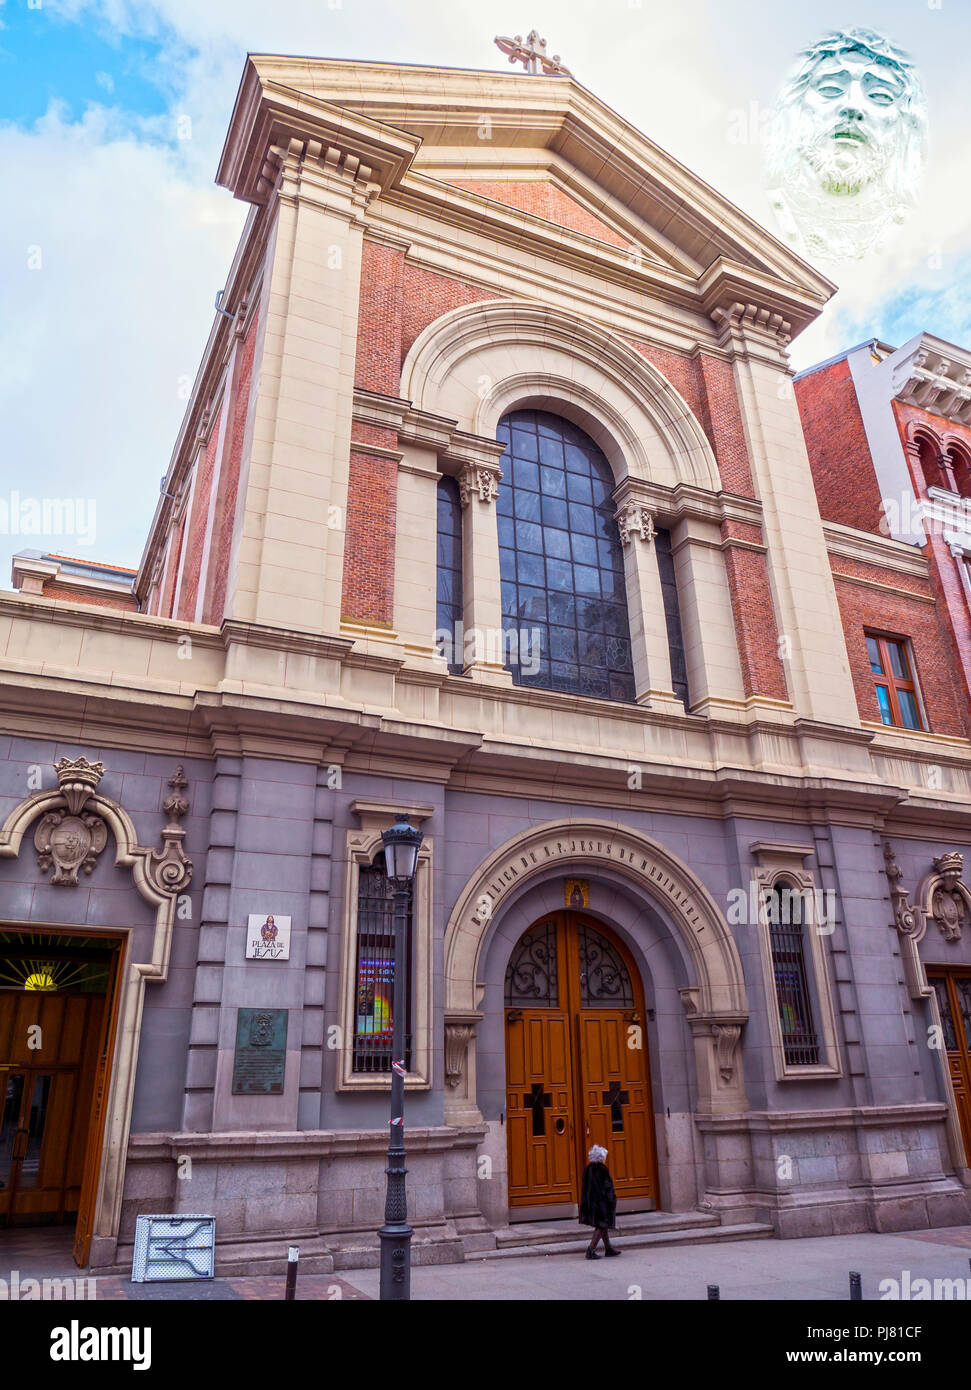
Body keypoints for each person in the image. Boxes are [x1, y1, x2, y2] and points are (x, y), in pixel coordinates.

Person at [579, 1144, 620, 1259]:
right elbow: (607, 1187)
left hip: (591, 1202)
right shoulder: (602, 1170)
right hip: (601, 1203)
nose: (605, 1159)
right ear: (601, 1157)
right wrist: (612, 1199)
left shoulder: (588, 1169)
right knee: (602, 1225)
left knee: (602, 1225)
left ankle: (608, 1248)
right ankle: (591, 1249)